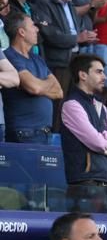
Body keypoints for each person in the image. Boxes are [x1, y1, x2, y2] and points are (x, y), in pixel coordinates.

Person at [60, 54, 107, 188]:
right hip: (84, 181)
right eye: (99, 72)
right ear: (83, 75)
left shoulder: (101, 106)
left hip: (106, 180)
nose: (105, 77)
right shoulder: (72, 105)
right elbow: (97, 142)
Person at [3, 12, 63, 143]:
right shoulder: (9, 56)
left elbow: (59, 91)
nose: (37, 29)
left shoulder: (37, 58)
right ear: (22, 32)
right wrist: (44, 85)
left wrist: (39, 87)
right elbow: (34, 88)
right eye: (32, 26)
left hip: (44, 132)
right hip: (23, 133)